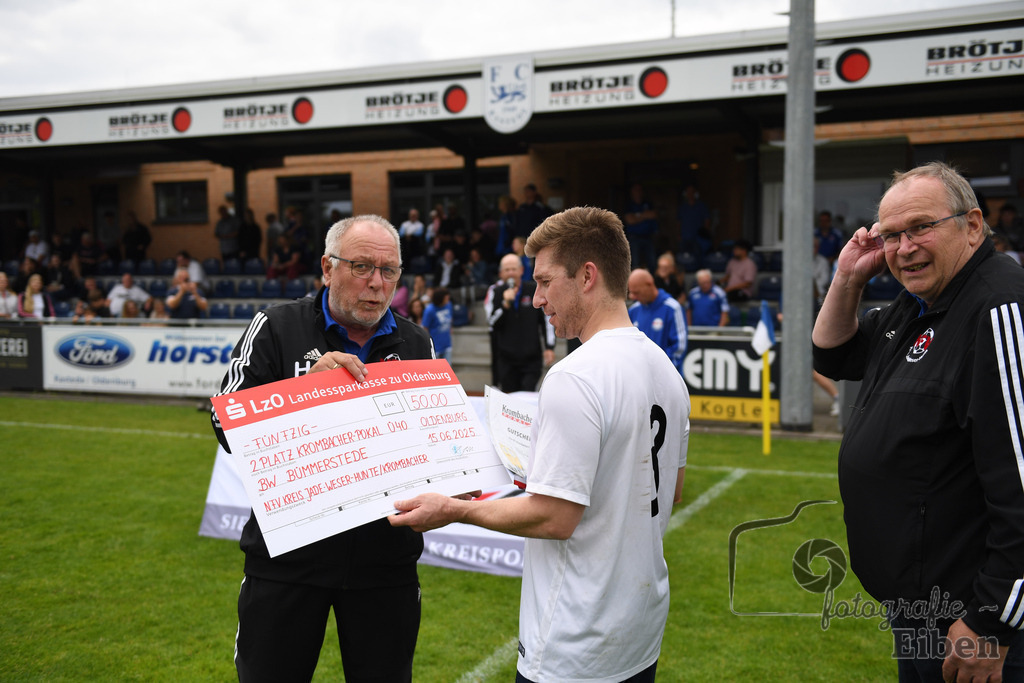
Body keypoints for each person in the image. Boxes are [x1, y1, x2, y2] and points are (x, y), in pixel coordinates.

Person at [390, 206, 690, 682]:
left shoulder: (575, 376)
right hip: (639, 630)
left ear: (587, 276)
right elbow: (670, 490)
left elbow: (554, 517)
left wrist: (455, 510)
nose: (536, 299)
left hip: (576, 639)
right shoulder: (666, 371)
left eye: (545, 281)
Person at [812, 161, 1024, 682]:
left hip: (975, 621)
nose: (904, 248)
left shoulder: (999, 309)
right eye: (891, 235)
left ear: (972, 225)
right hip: (922, 606)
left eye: (921, 227)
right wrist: (847, 277)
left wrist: (992, 621)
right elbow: (833, 354)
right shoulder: (920, 304)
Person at [211, 214, 434, 683]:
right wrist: (305, 393)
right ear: (328, 268)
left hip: (385, 564)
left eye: (389, 270)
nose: (377, 283)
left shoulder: (416, 342)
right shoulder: (275, 326)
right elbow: (225, 426)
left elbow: (430, 443)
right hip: (288, 558)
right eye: (361, 266)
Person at [486, 253, 555, 393]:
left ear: (521, 270)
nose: (511, 273)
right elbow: (492, 324)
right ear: (501, 273)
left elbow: (546, 321)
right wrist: (505, 304)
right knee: (510, 398)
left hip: (531, 358)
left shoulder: (533, 290)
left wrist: (549, 346)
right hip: (506, 359)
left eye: (513, 269)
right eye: (507, 270)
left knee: (527, 395)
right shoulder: (496, 292)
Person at [627, 268, 687, 374]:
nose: (632, 297)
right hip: (640, 377)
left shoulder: (672, 308)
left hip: (665, 378)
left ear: (649, 284)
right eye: (631, 293)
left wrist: (659, 371)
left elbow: (679, 347)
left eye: (636, 293)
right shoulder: (633, 310)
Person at [623, 183, 659, 271]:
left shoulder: (648, 204)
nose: (638, 192)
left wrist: (637, 216)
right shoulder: (629, 205)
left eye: (640, 190)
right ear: (632, 192)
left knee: (652, 262)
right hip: (634, 237)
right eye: (636, 190)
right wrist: (645, 215)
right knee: (635, 263)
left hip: (648, 236)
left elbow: (654, 214)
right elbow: (630, 220)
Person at [677, 183, 710, 258]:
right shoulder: (682, 207)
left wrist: (705, 235)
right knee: (684, 258)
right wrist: (679, 234)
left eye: (692, 191)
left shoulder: (701, 206)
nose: (690, 194)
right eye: (688, 191)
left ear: (695, 193)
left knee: (698, 257)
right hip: (685, 237)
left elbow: (707, 220)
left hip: (698, 238)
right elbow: (679, 222)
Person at [422, 287, 453, 362]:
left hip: (447, 343)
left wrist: (450, 328)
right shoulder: (429, 310)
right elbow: (425, 327)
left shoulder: (449, 305)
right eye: (446, 298)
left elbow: (450, 318)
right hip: (435, 346)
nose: (448, 300)